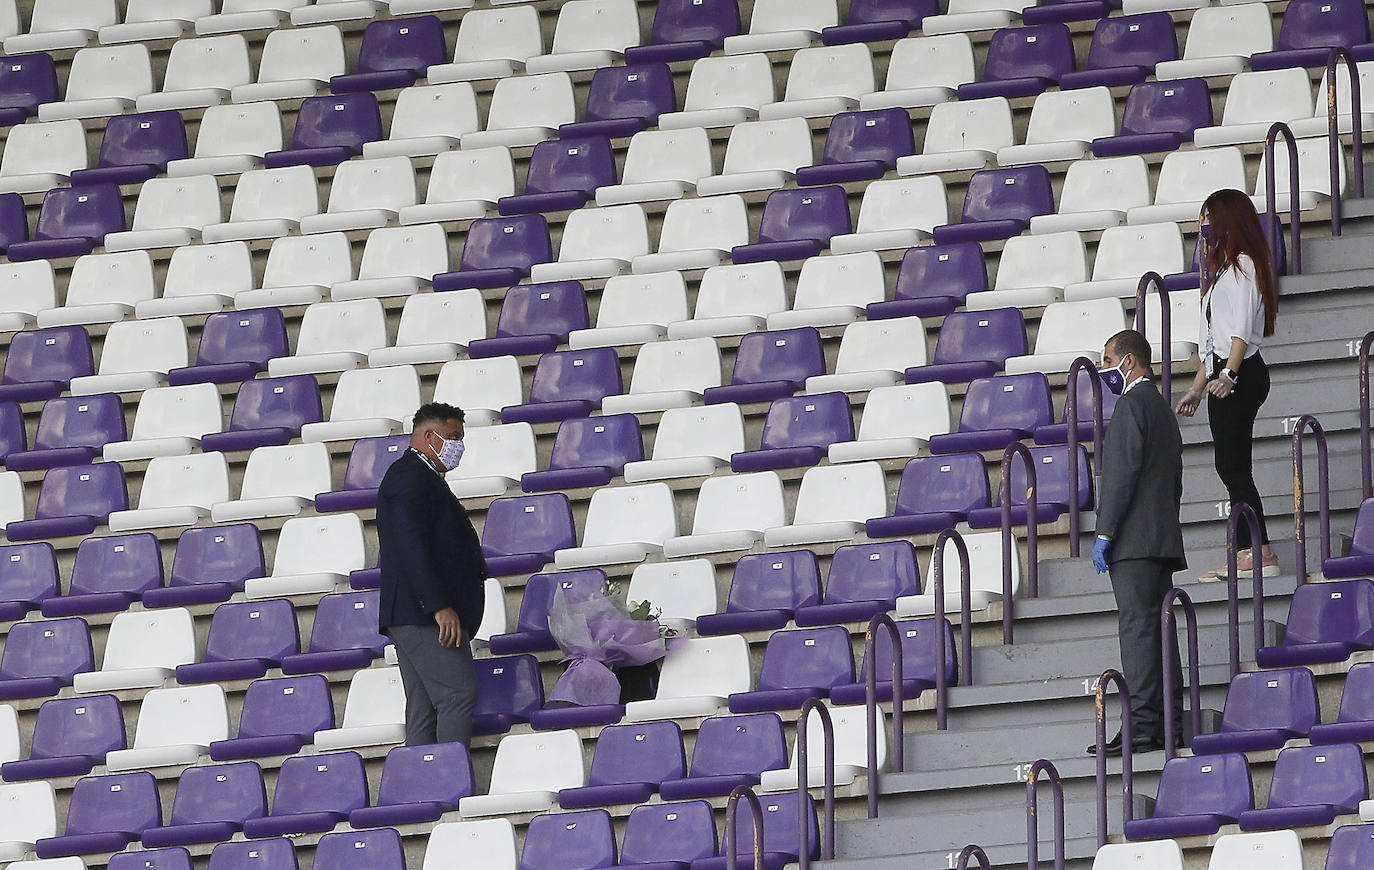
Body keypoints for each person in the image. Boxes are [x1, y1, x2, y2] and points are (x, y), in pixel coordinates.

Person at [1087, 329, 1187, 756]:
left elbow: (1120, 476)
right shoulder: (1162, 408)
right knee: (1162, 632)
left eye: (1109, 359)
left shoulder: (1130, 405)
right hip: (1160, 536)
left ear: (1129, 361)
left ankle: (1144, 726)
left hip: (1134, 542)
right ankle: (1170, 723)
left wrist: (1105, 531)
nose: (1106, 368)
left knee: (1139, 633)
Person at [1175, 188, 1280, 580]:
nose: (1203, 227)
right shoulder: (1226, 270)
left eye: (1208, 218)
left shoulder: (1245, 266)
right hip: (1225, 371)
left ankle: (1256, 552)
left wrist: (1229, 375)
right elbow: (1212, 342)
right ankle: (1249, 550)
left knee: (1234, 468)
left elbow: (1238, 333)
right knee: (1231, 466)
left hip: (1240, 372)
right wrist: (1198, 386)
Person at [376, 402, 486, 746]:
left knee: (424, 707)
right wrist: (439, 605)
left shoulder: (419, 477)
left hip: (413, 611)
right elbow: (411, 546)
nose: (458, 446)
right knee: (457, 694)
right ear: (428, 436)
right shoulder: (410, 477)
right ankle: (448, 786)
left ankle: (423, 789)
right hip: (423, 613)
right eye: (453, 437)